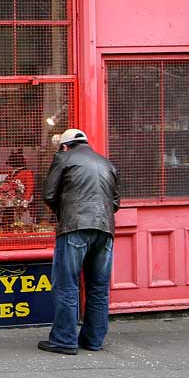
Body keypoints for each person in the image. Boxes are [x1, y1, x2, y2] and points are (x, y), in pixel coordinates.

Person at [38, 128, 119, 355]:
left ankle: (64, 340)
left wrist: (63, 215)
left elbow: (49, 194)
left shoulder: (63, 158)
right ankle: (94, 340)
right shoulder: (106, 163)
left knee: (67, 285)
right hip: (104, 229)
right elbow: (115, 201)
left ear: (65, 146)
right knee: (98, 288)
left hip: (74, 227)